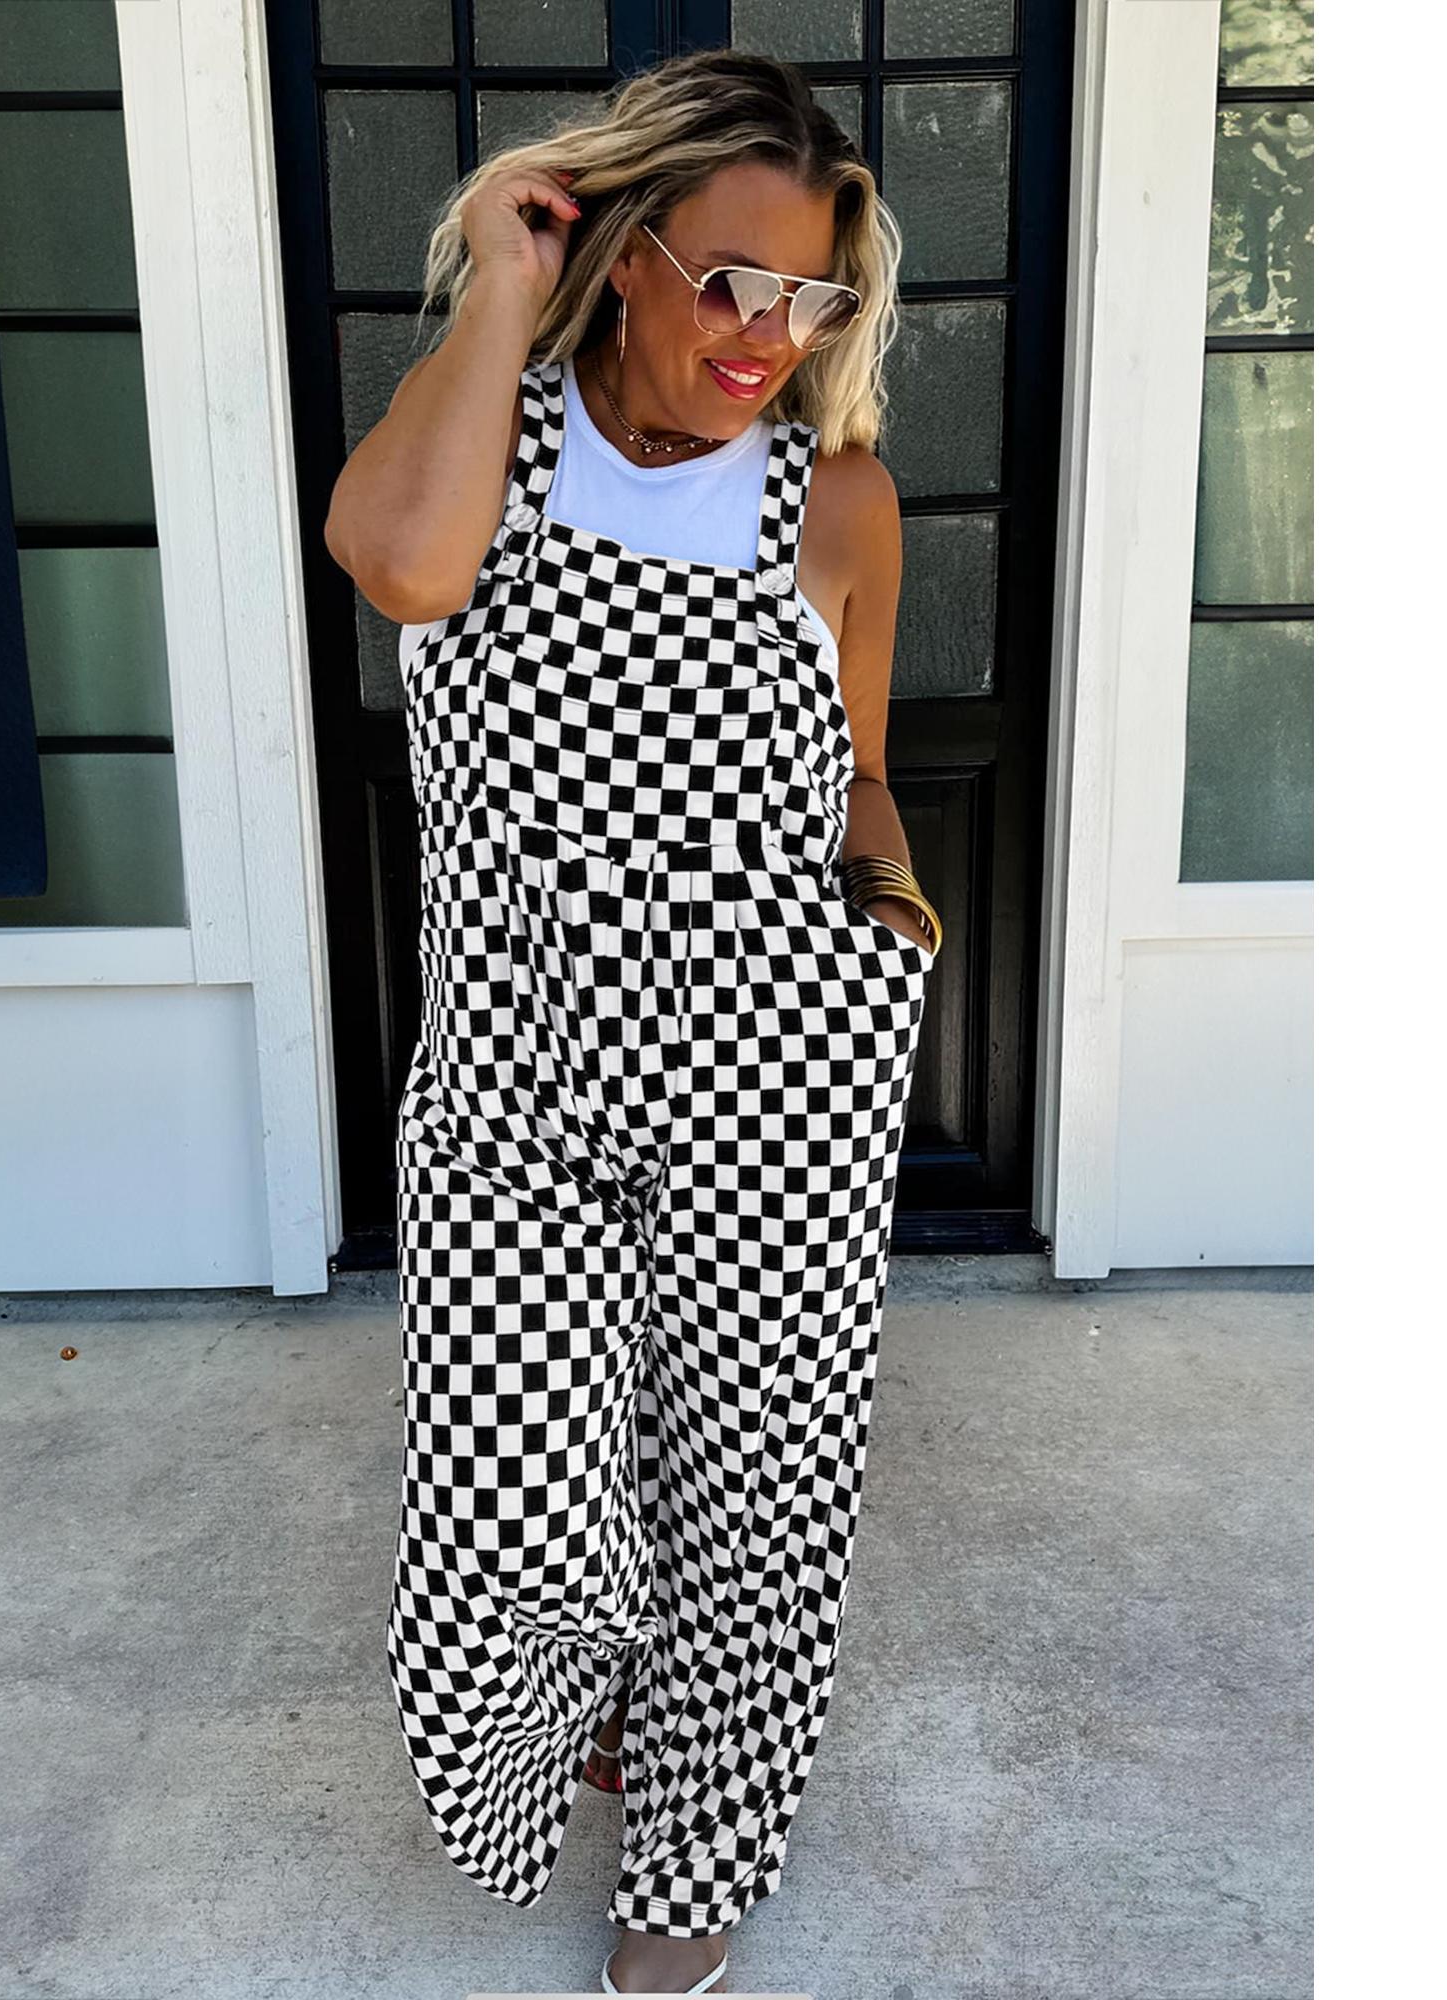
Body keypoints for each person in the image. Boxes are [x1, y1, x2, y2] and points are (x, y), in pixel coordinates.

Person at [325, 47, 941, 1998]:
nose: (768, 334)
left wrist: (892, 916)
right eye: (730, 280)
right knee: (515, 1509)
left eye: (812, 297)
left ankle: (695, 1854)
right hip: (514, 1089)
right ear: (623, 247)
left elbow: (855, 770)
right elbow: (397, 566)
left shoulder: (836, 504)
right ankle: (561, 1724)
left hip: (775, 1081)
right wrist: (503, 286)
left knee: (754, 1495)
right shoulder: (483, 444)